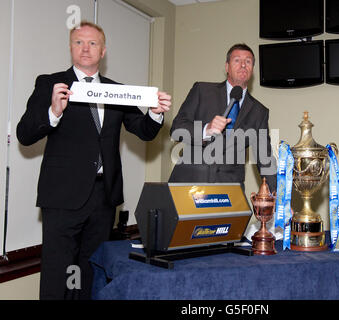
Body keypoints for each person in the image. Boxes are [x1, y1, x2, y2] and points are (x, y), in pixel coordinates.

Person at [16, 21, 171, 300]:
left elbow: (144, 131)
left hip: (103, 198)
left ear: (103, 51)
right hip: (62, 197)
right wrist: (53, 112)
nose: (85, 48)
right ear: (70, 48)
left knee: (91, 271)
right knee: (58, 273)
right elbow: (24, 134)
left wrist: (156, 113)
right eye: (79, 42)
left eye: (92, 43)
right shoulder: (51, 83)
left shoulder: (117, 91)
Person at [169, 43, 276, 192]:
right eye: (237, 60)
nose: (243, 65)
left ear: (252, 69)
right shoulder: (202, 91)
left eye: (248, 61)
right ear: (227, 67)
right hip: (190, 181)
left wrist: (279, 198)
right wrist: (206, 129)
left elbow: (264, 159)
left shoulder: (259, 111)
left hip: (230, 189)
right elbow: (176, 129)